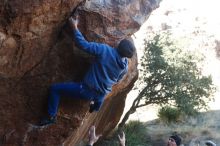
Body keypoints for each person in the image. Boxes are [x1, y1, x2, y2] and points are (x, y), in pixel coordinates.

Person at [39, 15, 135, 126]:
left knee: (54, 89)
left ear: (118, 45)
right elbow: (117, 80)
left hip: (86, 90)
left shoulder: (105, 50)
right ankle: (94, 106)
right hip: (101, 95)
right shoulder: (125, 66)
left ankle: (51, 116)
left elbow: (83, 45)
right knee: (96, 106)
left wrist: (74, 27)